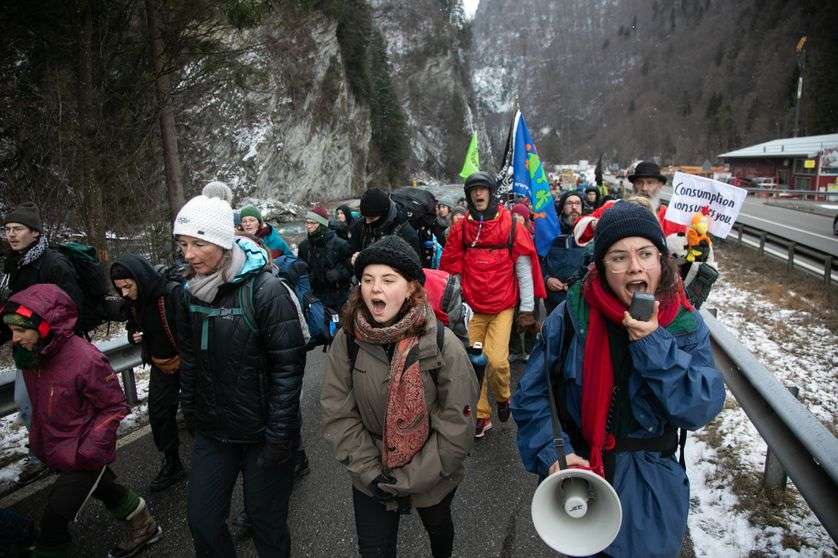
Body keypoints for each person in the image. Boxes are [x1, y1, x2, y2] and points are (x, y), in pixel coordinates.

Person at [512, 203, 725, 558]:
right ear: (601, 265)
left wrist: (652, 344)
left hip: (652, 491)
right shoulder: (571, 317)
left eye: (645, 254)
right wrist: (555, 453)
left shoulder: (683, 323)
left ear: (661, 260)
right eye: (618, 257)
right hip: (584, 484)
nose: (635, 267)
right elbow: (532, 399)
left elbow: (700, 407)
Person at [321, 235, 478, 558]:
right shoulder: (348, 341)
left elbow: (456, 424)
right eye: (367, 280)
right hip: (372, 472)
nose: (375, 289)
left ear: (410, 288)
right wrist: (371, 472)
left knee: (438, 529)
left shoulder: (441, 343)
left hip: (431, 468)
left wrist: (412, 477)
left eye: (387, 280)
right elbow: (339, 412)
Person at [173, 194, 307, 557]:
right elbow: (189, 357)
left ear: (221, 242)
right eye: (183, 244)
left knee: (267, 526)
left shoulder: (265, 290)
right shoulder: (188, 294)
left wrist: (280, 433)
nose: (189, 255)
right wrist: (191, 408)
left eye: (198, 243)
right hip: (214, 431)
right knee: (201, 521)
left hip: (263, 433)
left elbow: (288, 366)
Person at [3, 284, 162, 558]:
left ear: (43, 327)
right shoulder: (33, 357)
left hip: (83, 451)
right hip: (58, 448)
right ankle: (144, 526)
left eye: (20, 331)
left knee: (54, 520)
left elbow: (114, 406)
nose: (13, 339)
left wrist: (87, 451)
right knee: (104, 489)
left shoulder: (85, 359)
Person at [440, 172, 546, 437]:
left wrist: (527, 309)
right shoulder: (460, 228)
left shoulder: (511, 225)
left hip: (503, 306)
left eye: (482, 189)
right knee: (474, 364)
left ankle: (503, 397)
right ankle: (482, 415)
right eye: (473, 190)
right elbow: (452, 271)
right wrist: (453, 307)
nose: (478, 194)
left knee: (497, 361)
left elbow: (524, 269)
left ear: (490, 192)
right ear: (468, 195)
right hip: (472, 307)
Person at [2, 203, 89, 428]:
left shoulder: (54, 264)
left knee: (59, 405)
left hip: (56, 347)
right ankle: (45, 453)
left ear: (35, 232)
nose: (11, 234)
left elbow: (73, 307)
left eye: (17, 228)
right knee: (26, 401)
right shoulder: (13, 264)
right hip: (27, 347)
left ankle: (70, 452)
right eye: (7, 229)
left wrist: (47, 335)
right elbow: (15, 310)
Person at [110, 255, 185, 493]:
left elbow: (191, 330)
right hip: (160, 365)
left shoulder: (171, 294)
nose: (124, 293)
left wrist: (183, 359)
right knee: (160, 413)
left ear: (139, 279)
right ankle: (172, 463)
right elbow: (133, 324)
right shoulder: (135, 301)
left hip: (187, 363)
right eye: (119, 288)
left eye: (128, 286)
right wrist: (134, 335)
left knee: (199, 413)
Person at [298, 205, 353, 312]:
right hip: (314, 298)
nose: (308, 226)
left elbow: (352, 268)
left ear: (322, 224)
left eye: (312, 223)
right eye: (307, 222)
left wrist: (339, 273)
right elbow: (302, 270)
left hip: (338, 298)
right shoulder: (304, 246)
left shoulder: (340, 244)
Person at [541, 191, 587, 315]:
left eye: (577, 203)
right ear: (562, 208)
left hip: (582, 297)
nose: (574, 207)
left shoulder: (590, 232)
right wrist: (547, 279)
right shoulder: (550, 231)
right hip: (555, 298)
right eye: (569, 203)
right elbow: (540, 260)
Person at [349, 188, 423, 263]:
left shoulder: (406, 233)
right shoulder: (360, 225)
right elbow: (349, 253)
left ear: (384, 214)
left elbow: (414, 267)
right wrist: (353, 260)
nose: (367, 222)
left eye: (372, 218)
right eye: (365, 217)